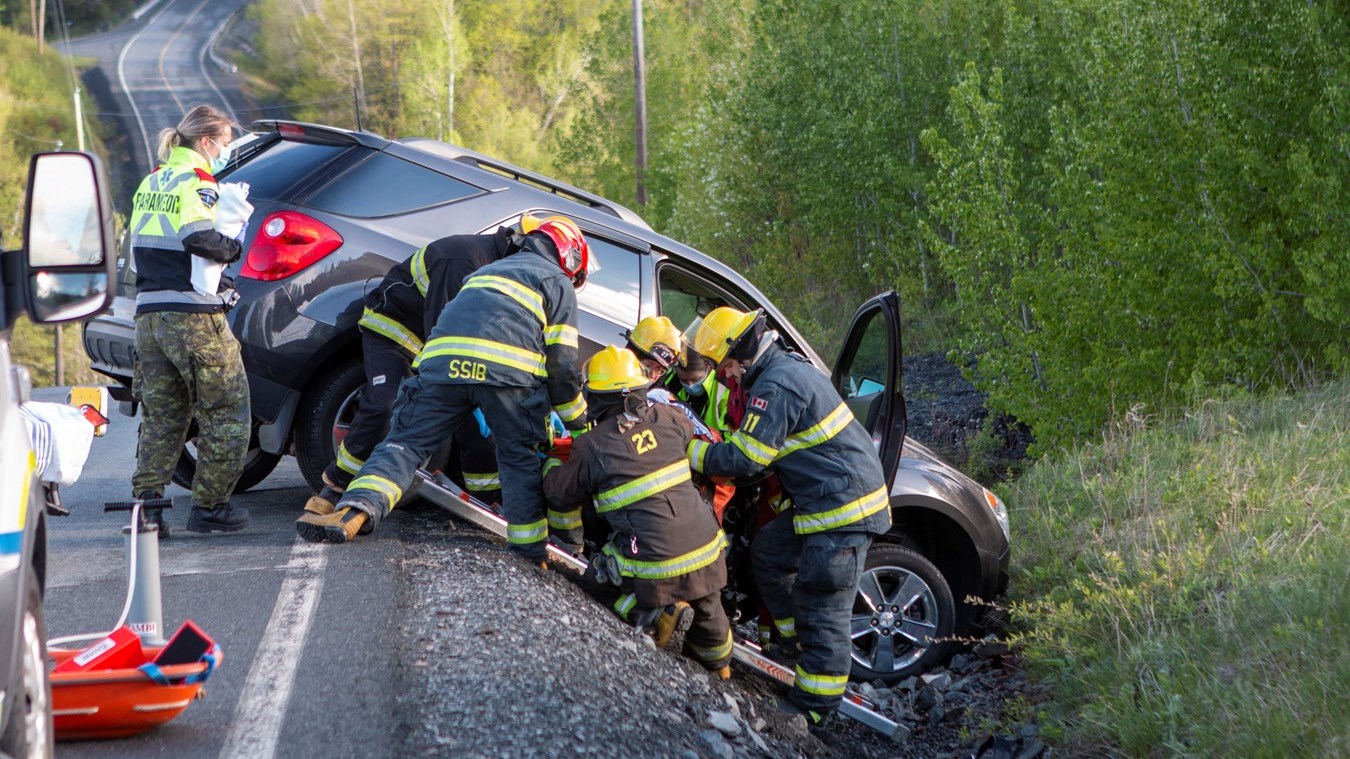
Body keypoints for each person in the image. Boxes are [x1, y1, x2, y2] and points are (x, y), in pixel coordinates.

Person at [296, 217, 592, 554]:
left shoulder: (483, 272)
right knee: (517, 456)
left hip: (440, 367)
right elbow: (563, 366)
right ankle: (531, 552)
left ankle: (357, 508)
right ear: (569, 258)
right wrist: (577, 420)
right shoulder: (556, 282)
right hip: (502, 379)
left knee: (405, 444)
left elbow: (449, 322)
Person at [684, 306, 892, 723]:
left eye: (722, 366)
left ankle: (814, 708)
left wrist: (689, 448)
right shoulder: (779, 371)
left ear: (740, 354)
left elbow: (746, 458)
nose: (723, 376)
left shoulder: (778, 385)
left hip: (842, 510)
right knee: (770, 553)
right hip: (827, 502)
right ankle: (792, 644)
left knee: (823, 604)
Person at [299, 226, 520, 519]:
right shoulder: (465, 259)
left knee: (473, 420)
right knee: (385, 403)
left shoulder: (497, 268)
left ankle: (487, 502)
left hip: (432, 346)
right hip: (393, 335)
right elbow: (443, 328)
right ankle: (335, 485)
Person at [541, 346, 733, 677]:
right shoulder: (670, 418)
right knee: (710, 612)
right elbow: (687, 432)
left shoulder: (594, 444)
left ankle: (661, 613)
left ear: (598, 397)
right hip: (707, 551)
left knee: (596, 585)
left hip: (653, 563)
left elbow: (559, 491)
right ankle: (720, 668)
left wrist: (549, 467)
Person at [129, 103, 254, 537]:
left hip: (149, 316)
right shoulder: (198, 182)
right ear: (205, 142)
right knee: (228, 411)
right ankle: (210, 508)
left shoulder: (151, 180)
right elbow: (199, 239)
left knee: (162, 415)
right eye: (224, 142)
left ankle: (147, 512)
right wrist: (234, 247)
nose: (225, 151)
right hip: (193, 317)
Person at [625, 315, 733, 437]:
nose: (653, 375)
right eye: (684, 380)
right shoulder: (668, 380)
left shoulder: (726, 393)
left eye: (694, 379)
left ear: (709, 369)